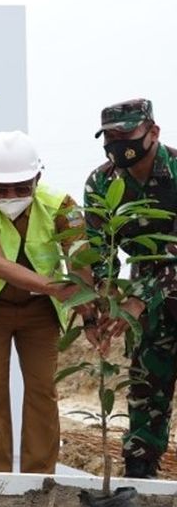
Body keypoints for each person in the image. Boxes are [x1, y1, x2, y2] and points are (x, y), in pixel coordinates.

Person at [0, 131, 82, 473]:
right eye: (1, 189)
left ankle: (38, 479)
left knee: (43, 392)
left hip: (40, 315)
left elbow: (81, 261)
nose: (10, 196)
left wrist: (90, 305)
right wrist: (55, 286)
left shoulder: (62, 206)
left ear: (37, 178)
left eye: (21, 188)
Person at [84, 99, 177, 479]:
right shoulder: (103, 182)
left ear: (152, 132)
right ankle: (140, 475)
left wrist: (139, 297)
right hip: (148, 304)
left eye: (126, 135)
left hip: (152, 292)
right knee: (146, 389)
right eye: (110, 137)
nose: (118, 144)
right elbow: (99, 249)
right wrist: (102, 302)